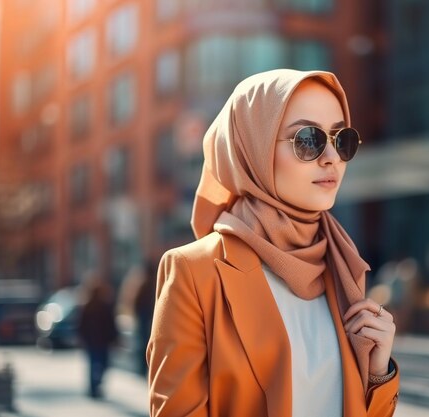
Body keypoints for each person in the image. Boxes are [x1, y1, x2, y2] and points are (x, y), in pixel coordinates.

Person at [147, 69, 399, 417]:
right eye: (308, 139)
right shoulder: (194, 272)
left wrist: (377, 373)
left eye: (342, 140)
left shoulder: (343, 266)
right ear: (253, 148)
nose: (332, 158)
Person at [77, 272, 119, 398]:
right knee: (99, 364)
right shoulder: (88, 306)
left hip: (98, 341)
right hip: (97, 341)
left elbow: (111, 323)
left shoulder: (103, 305)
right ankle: (94, 387)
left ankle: (95, 386)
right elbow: (82, 324)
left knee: (98, 364)